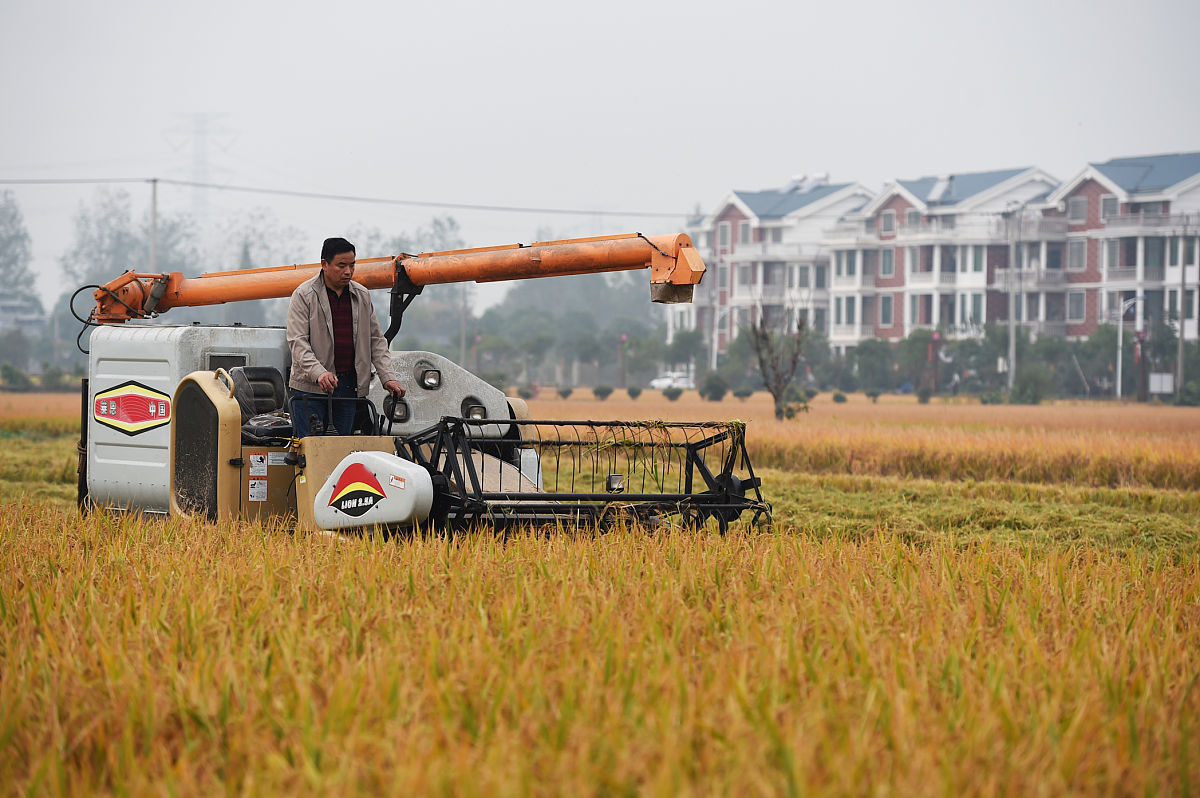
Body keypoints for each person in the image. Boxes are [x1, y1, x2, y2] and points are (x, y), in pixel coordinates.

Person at [286, 237, 406, 437]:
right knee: (311, 452)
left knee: (342, 450)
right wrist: (319, 373)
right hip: (310, 389)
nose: (348, 271)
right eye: (341, 266)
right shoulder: (304, 295)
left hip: (348, 387)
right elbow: (297, 342)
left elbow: (376, 341)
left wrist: (388, 378)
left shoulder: (362, 296)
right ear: (324, 264)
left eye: (352, 265)